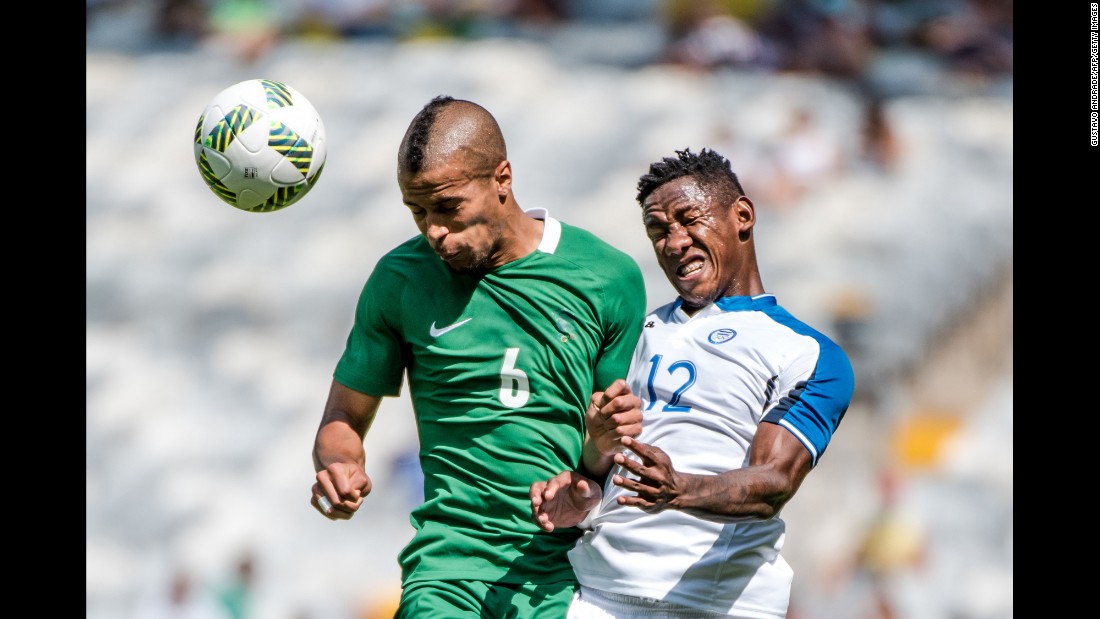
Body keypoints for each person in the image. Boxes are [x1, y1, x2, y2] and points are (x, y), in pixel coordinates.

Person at [309, 95, 648, 618]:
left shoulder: (606, 277)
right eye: (417, 211)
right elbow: (343, 418)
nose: (434, 230)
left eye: (448, 207)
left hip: (565, 572)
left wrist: (598, 451)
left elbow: (606, 444)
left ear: (502, 179)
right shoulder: (399, 280)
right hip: (447, 572)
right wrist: (339, 465)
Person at [530, 147, 855, 618]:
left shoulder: (808, 353)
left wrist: (680, 488)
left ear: (742, 215)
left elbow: (775, 481)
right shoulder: (637, 334)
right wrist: (585, 480)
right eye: (658, 231)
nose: (674, 241)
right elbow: (606, 463)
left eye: (688, 220)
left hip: (716, 603)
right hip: (598, 594)